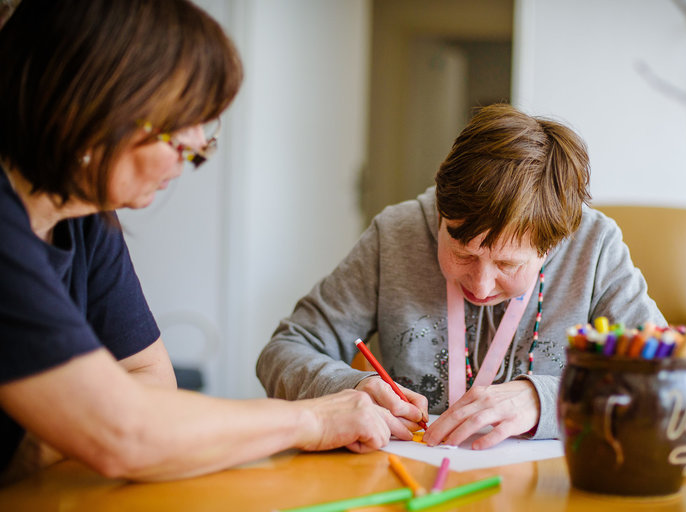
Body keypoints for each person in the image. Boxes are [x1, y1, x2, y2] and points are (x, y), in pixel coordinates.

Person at [0, 0, 408, 485]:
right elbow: (124, 431)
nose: (196, 149)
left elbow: (151, 383)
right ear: (89, 108)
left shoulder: (86, 217)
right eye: (179, 122)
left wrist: (78, 423)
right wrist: (315, 419)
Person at [257, 103, 666, 449]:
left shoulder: (594, 248)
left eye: (508, 265)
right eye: (462, 253)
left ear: (552, 245)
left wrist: (547, 400)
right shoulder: (395, 234)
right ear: (441, 211)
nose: (480, 285)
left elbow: (666, 380)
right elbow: (283, 351)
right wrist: (349, 389)